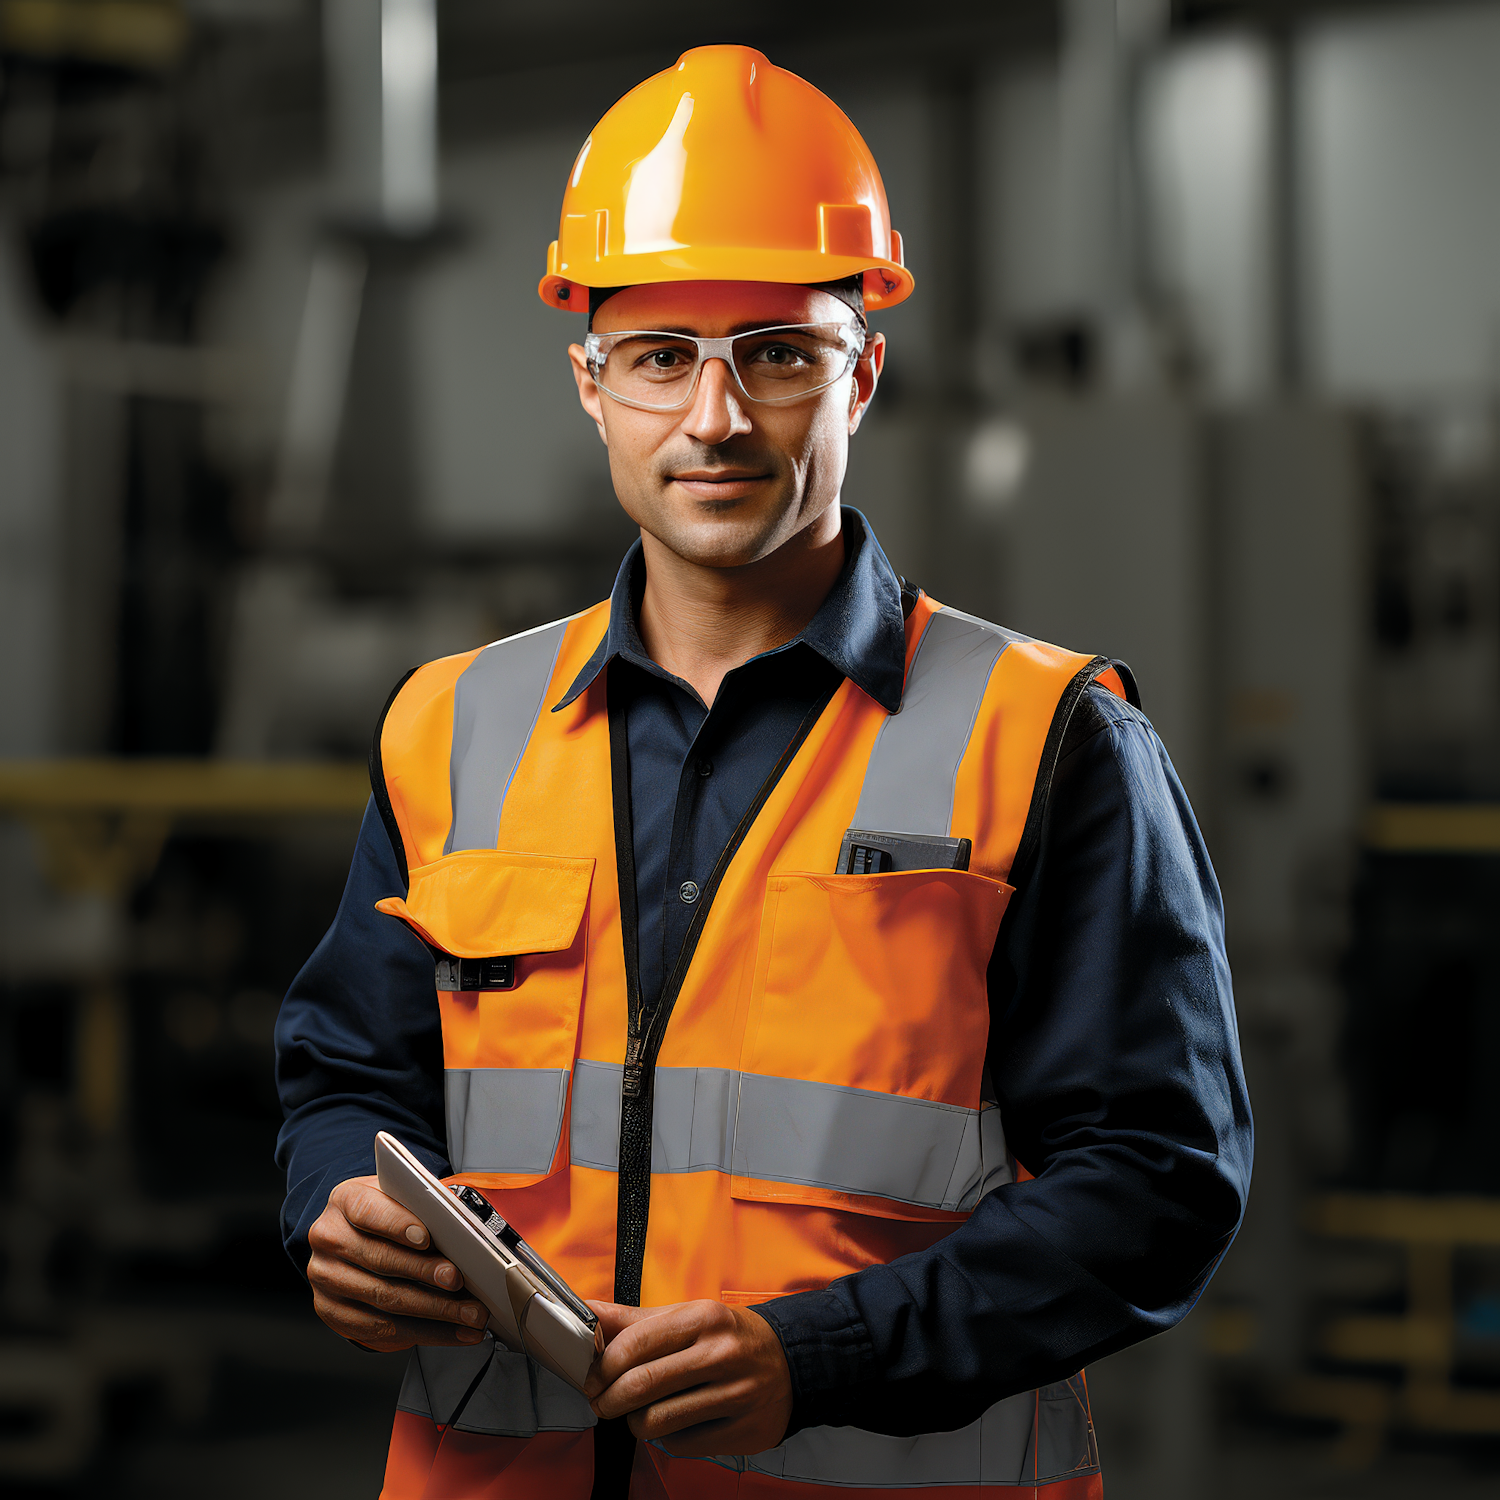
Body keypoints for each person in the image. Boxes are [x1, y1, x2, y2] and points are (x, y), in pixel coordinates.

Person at [275, 44, 1252, 1500]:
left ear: (864, 370)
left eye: (777, 355)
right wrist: (338, 1205)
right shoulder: (450, 726)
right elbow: (350, 1068)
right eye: (661, 356)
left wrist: (826, 1352)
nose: (716, 418)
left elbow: (1159, 1181)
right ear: (589, 384)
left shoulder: (1052, 741)